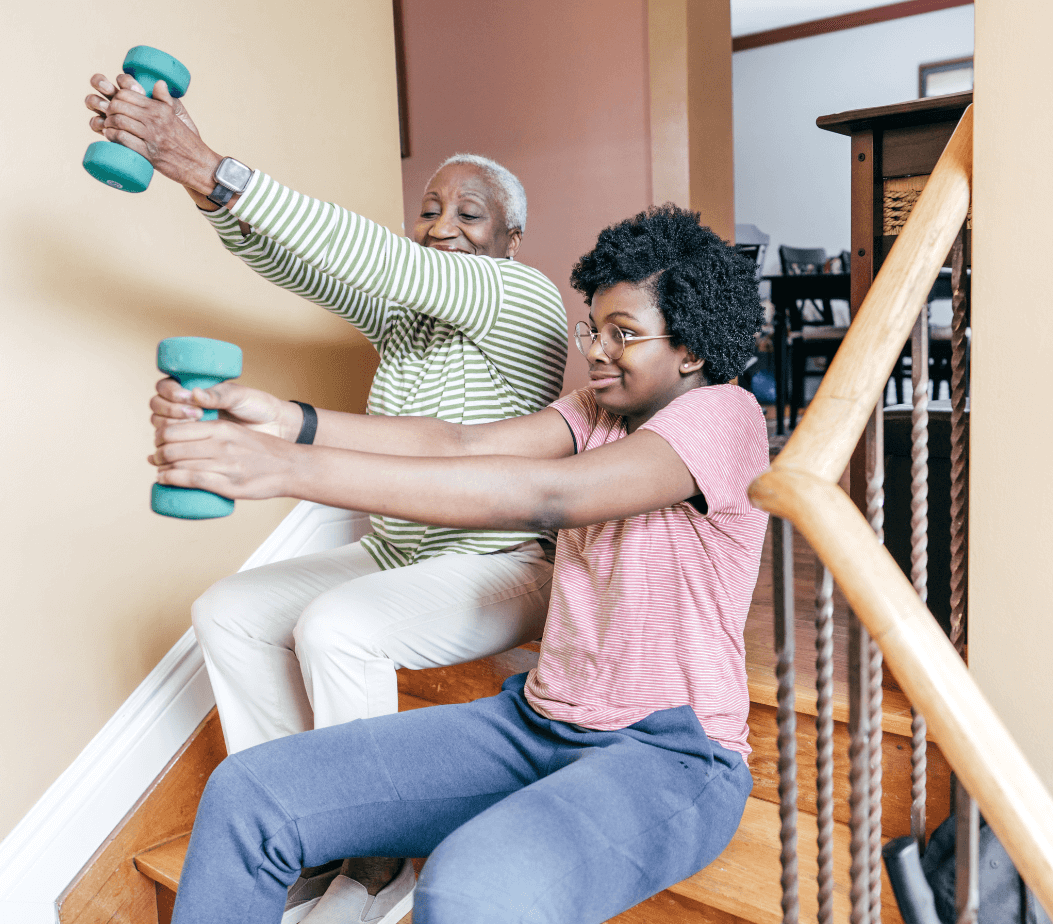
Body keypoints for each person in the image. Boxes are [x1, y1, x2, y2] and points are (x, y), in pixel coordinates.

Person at [149, 203, 766, 924]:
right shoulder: (596, 411)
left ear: (691, 350)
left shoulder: (724, 416)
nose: (597, 350)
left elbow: (548, 498)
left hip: (671, 756)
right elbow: (460, 447)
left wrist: (285, 470)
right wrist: (293, 422)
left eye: (623, 334)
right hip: (537, 724)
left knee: (470, 887)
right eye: (592, 328)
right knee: (249, 794)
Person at [86, 73, 570, 919]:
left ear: (513, 240)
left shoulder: (520, 298)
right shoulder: (408, 316)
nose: (441, 226)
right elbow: (305, 262)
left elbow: (377, 259)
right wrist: (200, 187)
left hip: (501, 562)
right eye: (430, 208)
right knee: (227, 611)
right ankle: (305, 825)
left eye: (469, 213)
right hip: (399, 553)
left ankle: (381, 856)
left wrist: (210, 163)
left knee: (340, 627)